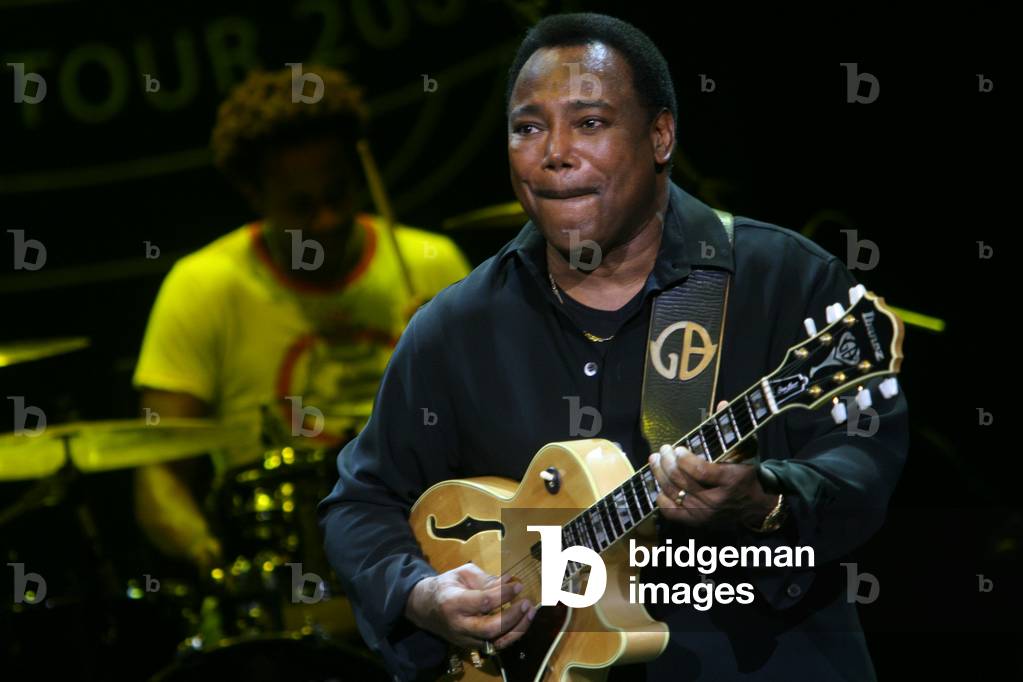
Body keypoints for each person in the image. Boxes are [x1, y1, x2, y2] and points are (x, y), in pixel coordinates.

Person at [318, 13, 907, 682]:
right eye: (528, 128)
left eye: (589, 123)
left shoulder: (782, 279)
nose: (554, 153)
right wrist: (421, 595)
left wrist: (763, 499)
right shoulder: (455, 325)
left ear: (660, 136)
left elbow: (861, 465)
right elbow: (361, 501)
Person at [133, 66, 470, 572]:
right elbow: (158, 471)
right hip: (290, 569)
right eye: (302, 206)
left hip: (437, 553)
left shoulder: (431, 264)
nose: (328, 220)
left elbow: (506, 425)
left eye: (337, 196)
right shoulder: (202, 286)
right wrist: (216, 564)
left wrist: (449, 362)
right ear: (254, 195)